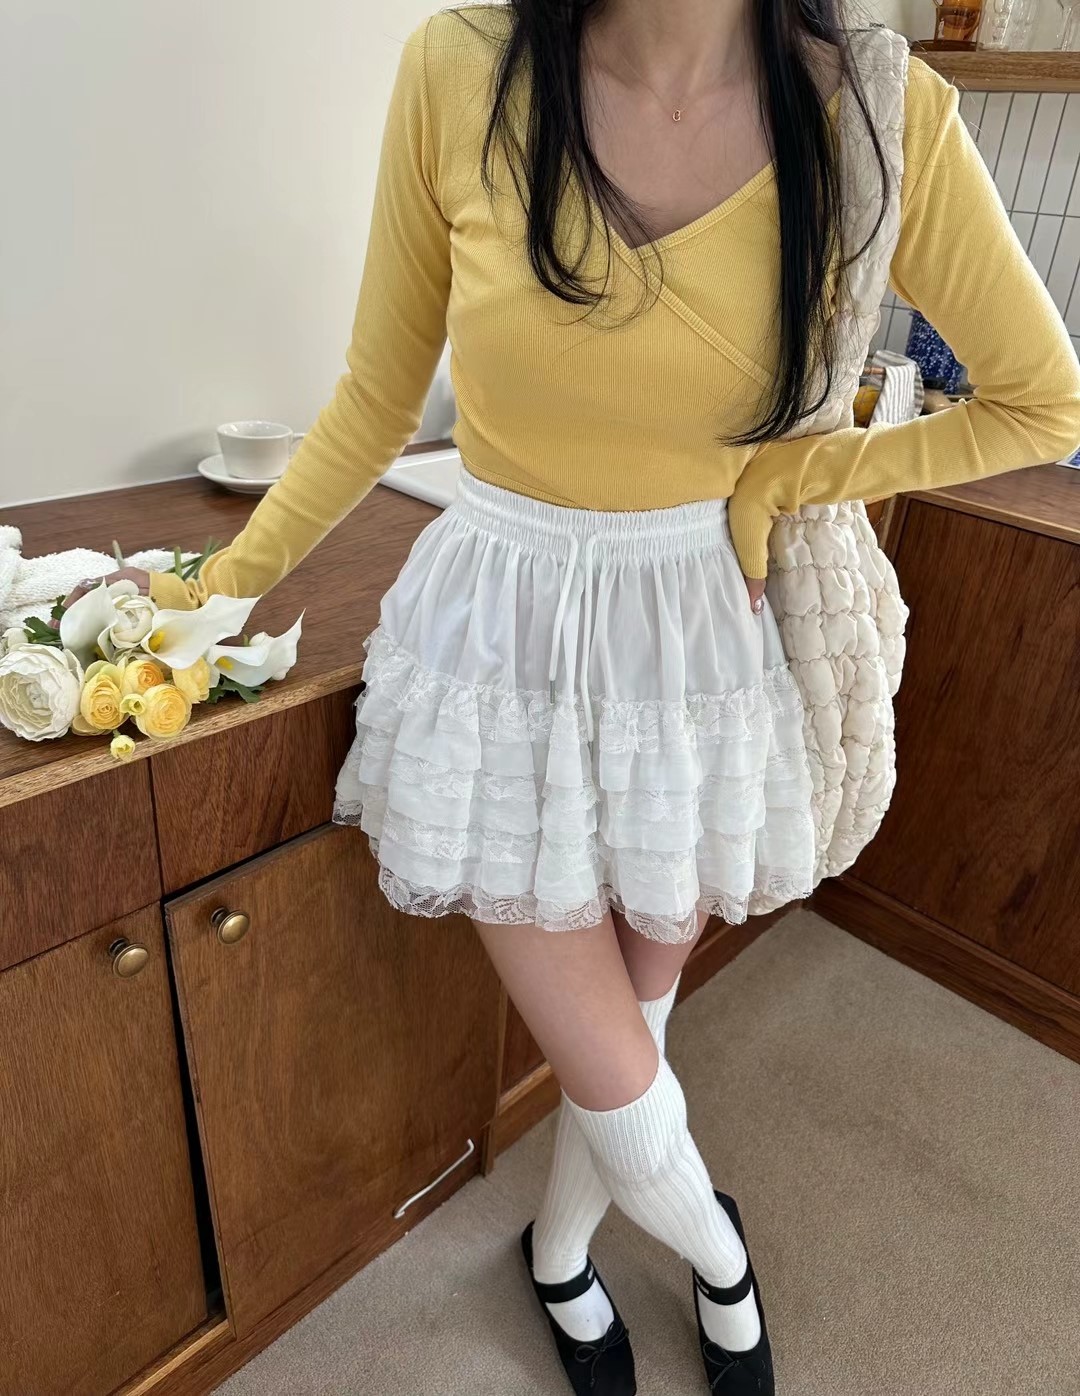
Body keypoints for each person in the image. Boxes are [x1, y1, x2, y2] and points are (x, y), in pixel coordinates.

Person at [68, 3, 1080, 1391]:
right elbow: (375, 396)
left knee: (637, 1024)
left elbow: (1041, 402)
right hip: (500, 641)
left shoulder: (878, 113)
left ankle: (557, 1253)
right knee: (610, 1060)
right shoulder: (460, 66)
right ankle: (718, 1260)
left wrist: (797, 474)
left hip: (697, 648)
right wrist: (213, 587)